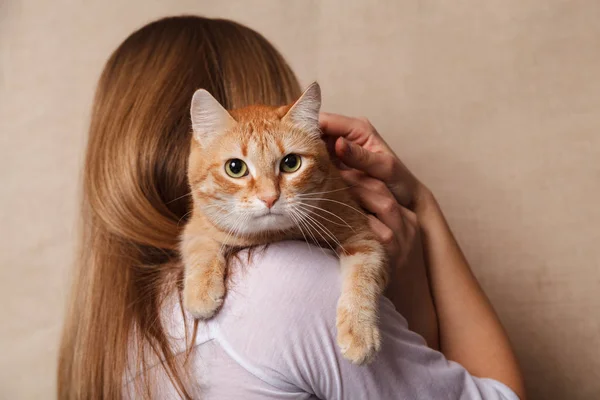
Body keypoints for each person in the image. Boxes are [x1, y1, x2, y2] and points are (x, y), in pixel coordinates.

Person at [57, 16, 526, 399]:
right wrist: (423, 208)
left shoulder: (111, 327)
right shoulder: (289, 285)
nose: (268, 193)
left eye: (289, 160)